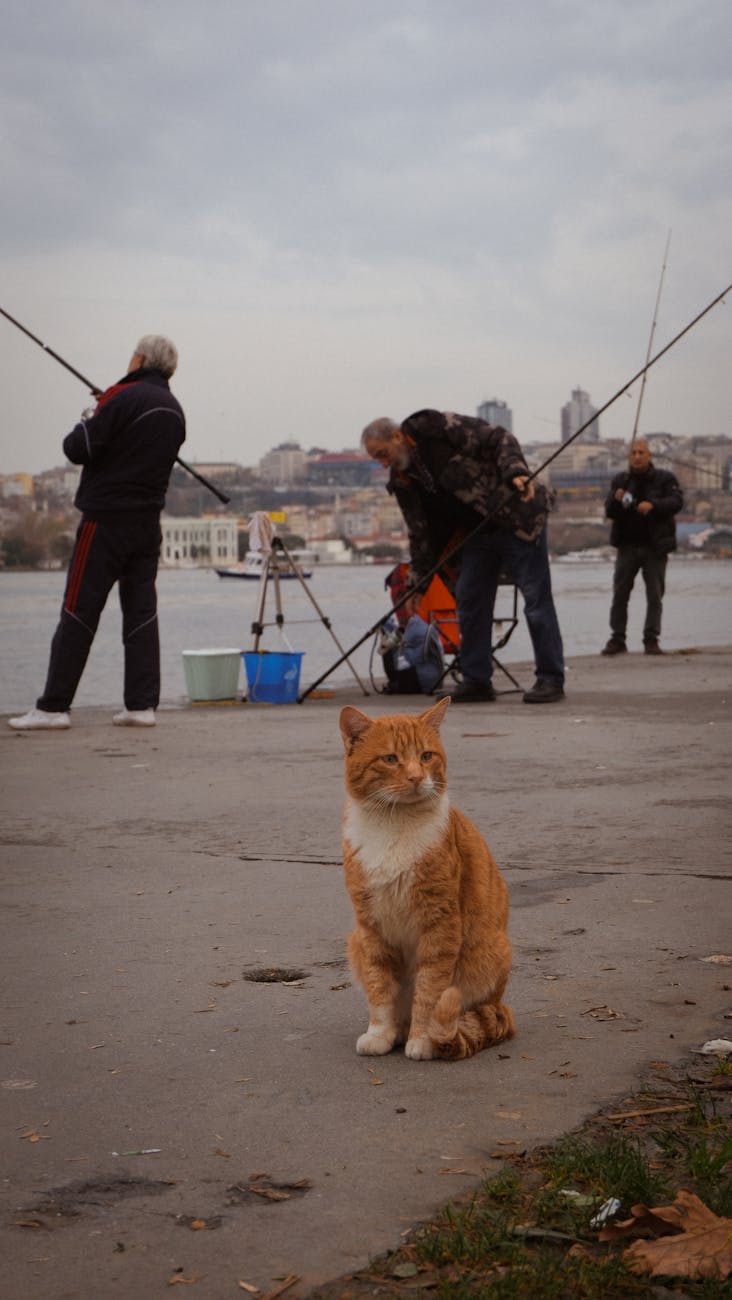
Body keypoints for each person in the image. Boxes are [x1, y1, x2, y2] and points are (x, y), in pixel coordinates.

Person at [9, 336, 186, 731]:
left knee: (78, 608)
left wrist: (94, 411)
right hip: (147, 525)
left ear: (139, 359)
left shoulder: (120, 398)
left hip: (105, 521)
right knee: (141, 612)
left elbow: (77, 447)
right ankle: (141, 706)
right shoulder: (175, 410)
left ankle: (53, 707)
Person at [362, 410, 565, 703]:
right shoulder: (403, 481)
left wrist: (516, 471)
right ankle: (476, 679)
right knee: (470, 601)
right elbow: (420, 534)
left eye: (382, 454)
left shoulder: (434, 427)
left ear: (396, 436)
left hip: (516, 518)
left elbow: (499, 437)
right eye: (376, 459)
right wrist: (418, 585)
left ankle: (550, 678)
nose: (383, 463)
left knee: (536, 600)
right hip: (476, 533)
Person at [601, 438, 683, 656]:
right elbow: (609, 511)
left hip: (655, 548)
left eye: (641, 452)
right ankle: (617, 639)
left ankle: (651, 639)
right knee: (620, 594)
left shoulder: (666, 479)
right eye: (633, 453)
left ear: (650, 456)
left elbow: (676, 502)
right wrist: (616, 499)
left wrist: (653, 506)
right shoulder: (621, 480)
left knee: (655, 595)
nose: (637, 456)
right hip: (627, 546)